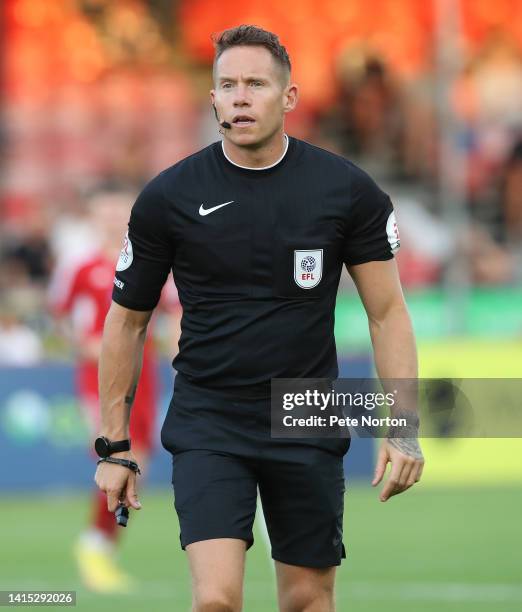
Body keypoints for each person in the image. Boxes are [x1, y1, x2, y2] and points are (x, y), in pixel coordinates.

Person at [95, 25, 424, 612]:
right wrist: (114, 447)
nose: (240, 96)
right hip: (209, 416)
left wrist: (402, 425)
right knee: (216, 600)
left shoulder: (347, 191)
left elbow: (388, 312)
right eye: (228, 85)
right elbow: (126, 322)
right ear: (213, 99)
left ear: (288, 97)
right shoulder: (168, 197)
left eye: (255, 84)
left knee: (306, 600)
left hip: (305, 409)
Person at [51, 188, 180, 594]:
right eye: (103, 211)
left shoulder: (152, 262)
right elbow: (58, 316)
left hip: (144, 374)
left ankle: (101, 548)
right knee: (116, 455)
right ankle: (94, 547)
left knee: (139, 460)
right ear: (91, 218)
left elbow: (174, 313)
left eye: (118, 211)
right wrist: (81, 344)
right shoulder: (80, 266)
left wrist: (177, 349)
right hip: (98, 374)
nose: (110, 218)